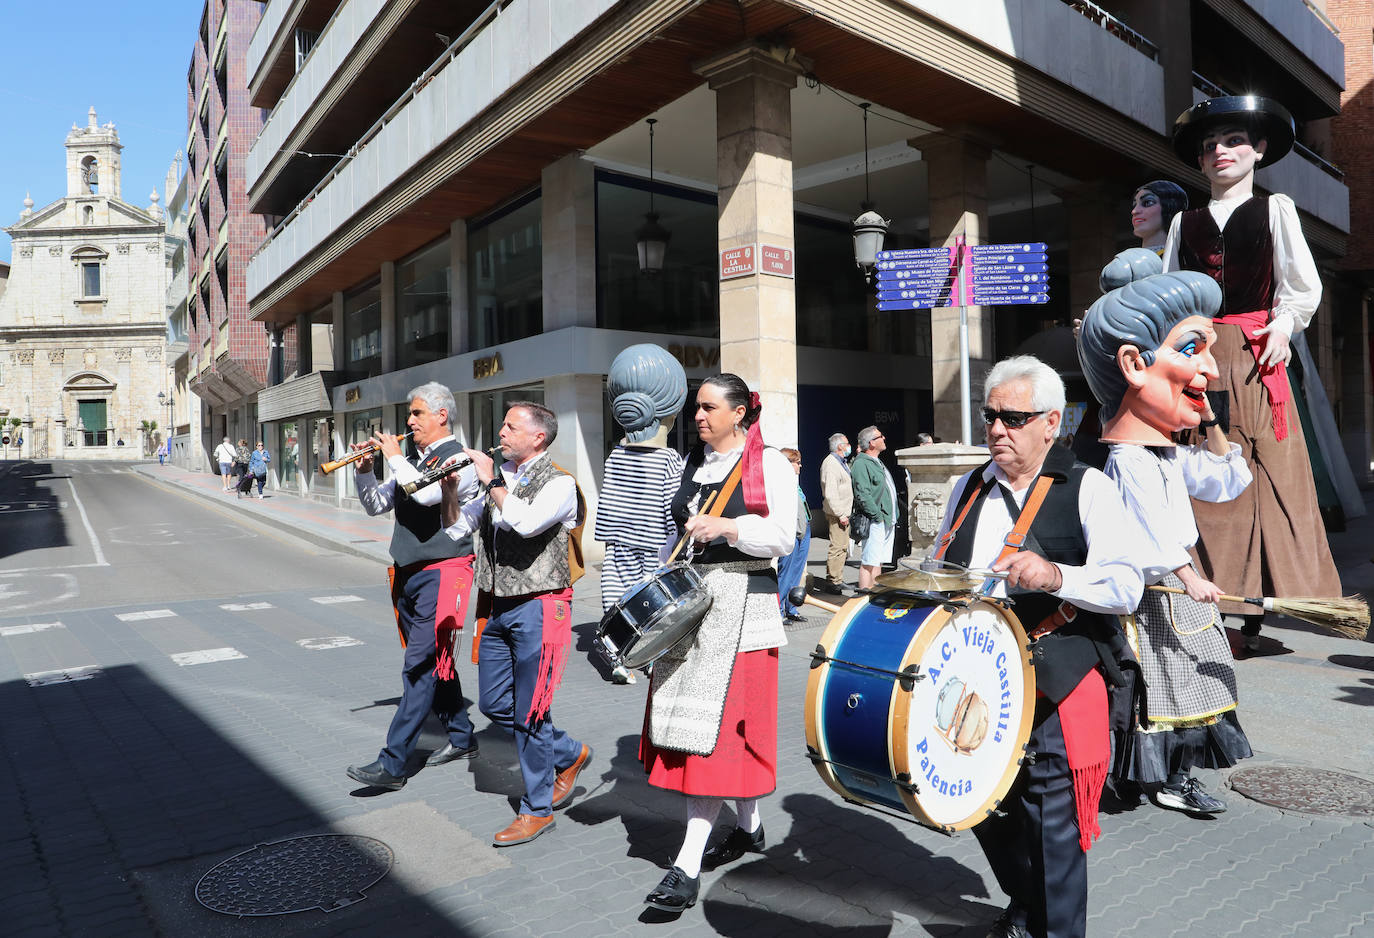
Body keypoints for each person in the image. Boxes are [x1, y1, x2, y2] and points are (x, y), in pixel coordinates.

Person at [932, 355, 1142, 938]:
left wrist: (1058, 577)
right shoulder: (968, 489)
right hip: (976, 683)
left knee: (1054, 830)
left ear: (1051, 422)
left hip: (1057, 681)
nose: (997, 429)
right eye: (990, 416)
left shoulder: (1089, 487)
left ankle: (1054, 927)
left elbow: (1127, 586)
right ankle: (1026, 902)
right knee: (980, 808)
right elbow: (941, 568)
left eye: (1014, 418)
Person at [1164, 94, 1342, 652]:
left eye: (1234, 141)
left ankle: (1272, 611)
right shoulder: (1182, 222)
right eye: (1209, 146)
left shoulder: (1276, 209)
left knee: (1271, 477)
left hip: (1258, 355)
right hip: (1199, 356)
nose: (1220, 152)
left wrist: (1284, 329)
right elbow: (1169, 295)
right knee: (1206, 481)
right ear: (1198, 161)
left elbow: (1301, 286)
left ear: (1258, 151)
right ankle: (1215, 613)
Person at [1081, 258, 1255, 817]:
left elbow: (1223, 479)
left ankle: (1170, 776)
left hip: (1182, 590)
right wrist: (1191, 578)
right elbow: (1148, 533)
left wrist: (1213, 420)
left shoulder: (1165, 452)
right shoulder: (1128, 459)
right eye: (1191, 349)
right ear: (1133, 364)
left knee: (1195, 687)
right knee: (1164, 692)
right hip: (1157, 598)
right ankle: (1163, 779)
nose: (1211, 368)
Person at [639, 374, 794, 913]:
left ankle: (684, 864)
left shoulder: (767, 463)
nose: (698, 416)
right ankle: (748, 827)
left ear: (738, 413)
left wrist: (726, 528)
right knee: (705, 731)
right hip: (694, 609)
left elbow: (783, 538)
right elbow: (677, 536)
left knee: (717, 737)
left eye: (708, 408)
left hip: (743, 614)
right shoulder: (692, 464)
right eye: (696, 408)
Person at [440, 402, 592, 847]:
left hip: (542, 606)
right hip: (498, 605)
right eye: (503, 424)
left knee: (531, 712)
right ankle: (569, 752)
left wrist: (489, 478)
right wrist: (452, 489)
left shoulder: (560, 483)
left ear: (538, 438)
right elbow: (456, 530)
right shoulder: (498, 479)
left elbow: (523, 523)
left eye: (511, 426)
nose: (501, 432)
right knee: (493, 704)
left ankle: (537, 809)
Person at [344, 383, 481, 793]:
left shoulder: (459, 458)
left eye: (417, 413)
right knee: (434, 658)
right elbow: (375, 504)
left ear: (441, 415)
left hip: (444, 570)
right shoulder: (415, 460)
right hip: (408, 572)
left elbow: (426, 497)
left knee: (419, 665)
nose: (409, 421)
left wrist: (395, 457)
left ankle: (394, 763)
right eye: (410, 414)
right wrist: (365, 469)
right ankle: (461, 735)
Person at [595, 344, 688, 685]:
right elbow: (672, 509)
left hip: (618, 541)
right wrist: (679, 547)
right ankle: (649, 656)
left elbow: (607, 502)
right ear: (671, 412)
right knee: (652, 605)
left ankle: (615, 656)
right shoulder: (668, 460)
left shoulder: (614, 455)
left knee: (615, 598)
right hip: (654, 544)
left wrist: (607, 534)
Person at [850, 425, 896, 593]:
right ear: (871, 443)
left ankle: (875, 594)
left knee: (878, 561)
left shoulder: (876, 461)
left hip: (885, 519)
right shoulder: (861, 463)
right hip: (875, 520)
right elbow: (862, 494)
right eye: (880, 437)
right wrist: (877, 516)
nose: (884, 438)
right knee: (869, 561)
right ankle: (864, 596)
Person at [775, 447, 810, 623]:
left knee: (796, 572)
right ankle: (779, 610)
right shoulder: (779, 483)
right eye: (796, 462)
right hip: (790, 531)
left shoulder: (793, 482)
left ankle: (791, 608)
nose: (800, 465)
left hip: (803, 530)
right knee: (786, 572)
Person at [818, 433, 853, 595]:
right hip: (837, 513)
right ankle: (833, 582)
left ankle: (838, 577)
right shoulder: (831, 464)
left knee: (843, 547)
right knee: (837, 547)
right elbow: (831, 493)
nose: (848, 446)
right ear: (840, 446)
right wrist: (840, 514)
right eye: (846, 444)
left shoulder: (841, 462)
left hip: (843, 511)